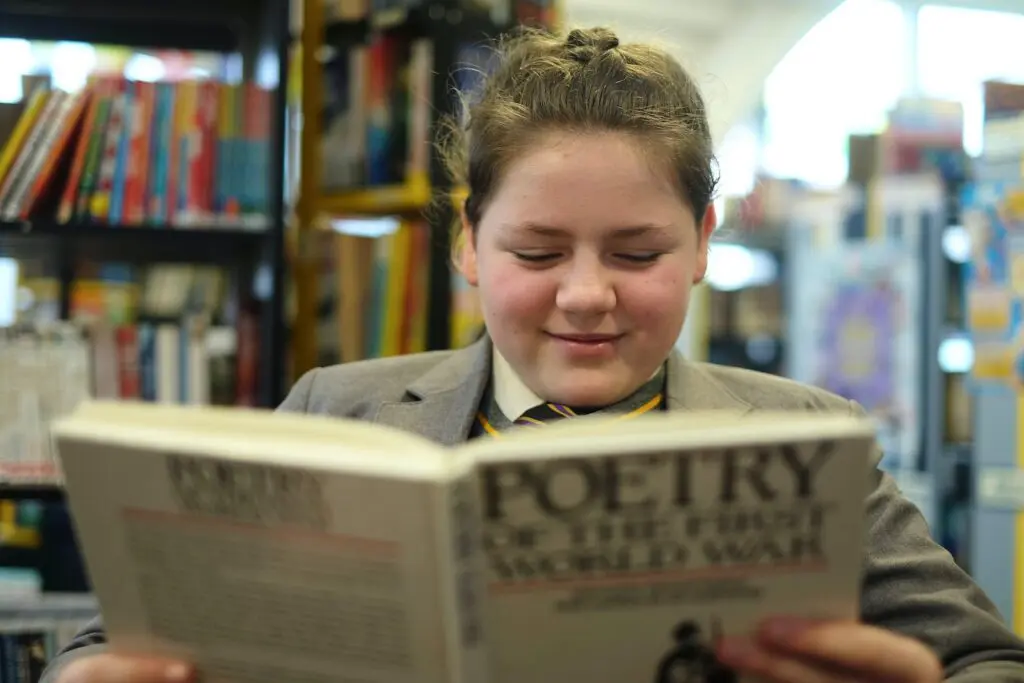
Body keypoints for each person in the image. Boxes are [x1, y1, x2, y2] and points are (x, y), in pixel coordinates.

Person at [45, 25, 1024, 683]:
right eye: (537, 250)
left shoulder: (805, 433)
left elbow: (988, 660)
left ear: (701, 245)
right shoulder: (335, 409)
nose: (587, 293)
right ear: (468, 243)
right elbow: (116, 637)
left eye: (637, 252)